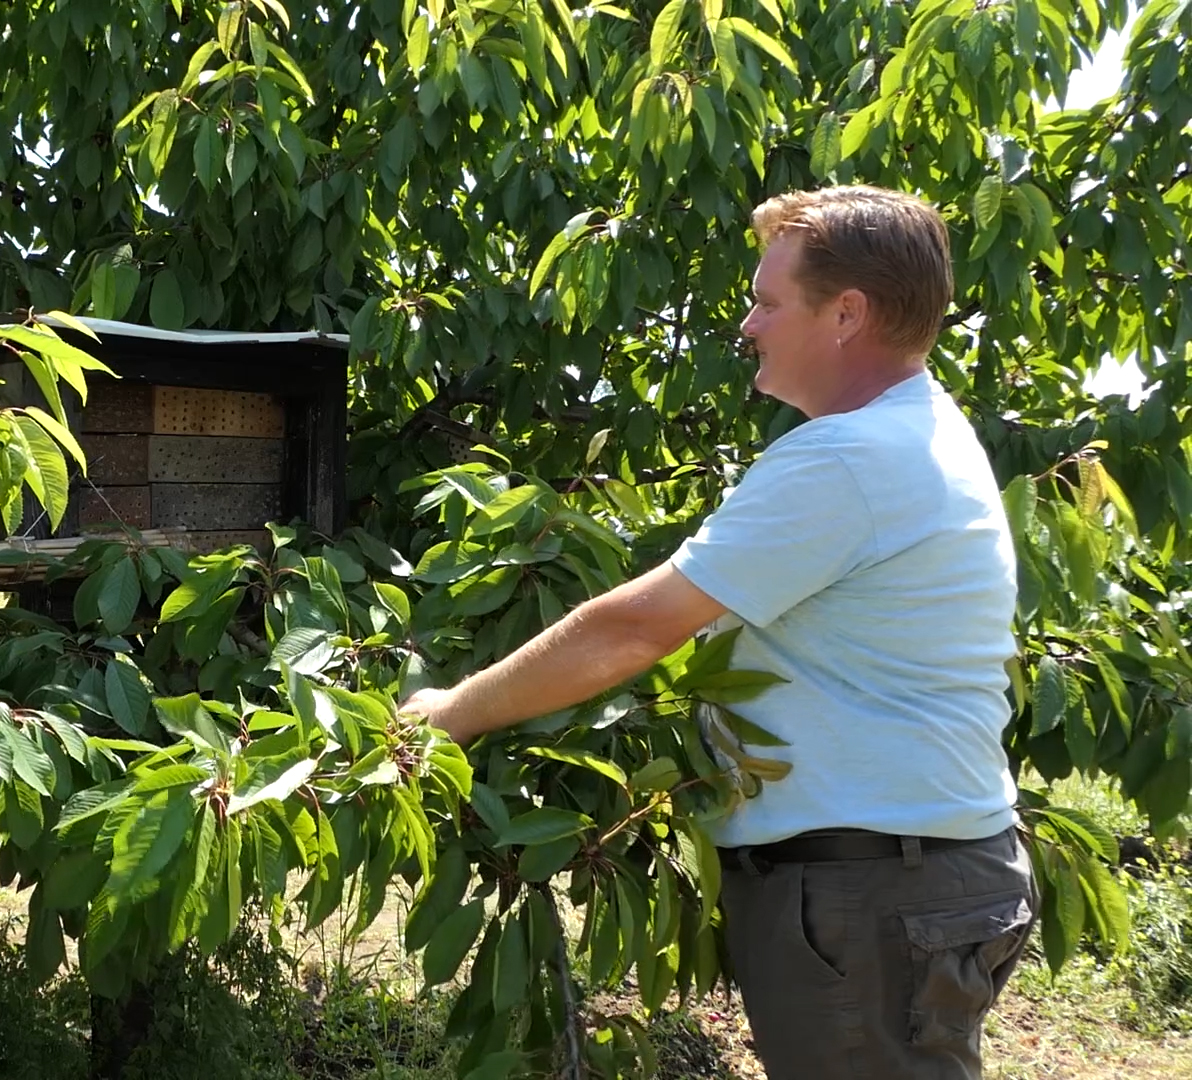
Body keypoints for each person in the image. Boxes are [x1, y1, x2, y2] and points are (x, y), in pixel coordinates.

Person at [399, 185, 1036, 1079]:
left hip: (876, 890)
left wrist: (453, 712)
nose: (748, 324)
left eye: (769, 302)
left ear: (846, 313)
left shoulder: (851, 458)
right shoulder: (915, 433)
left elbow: (635, 627)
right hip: (910, 877)